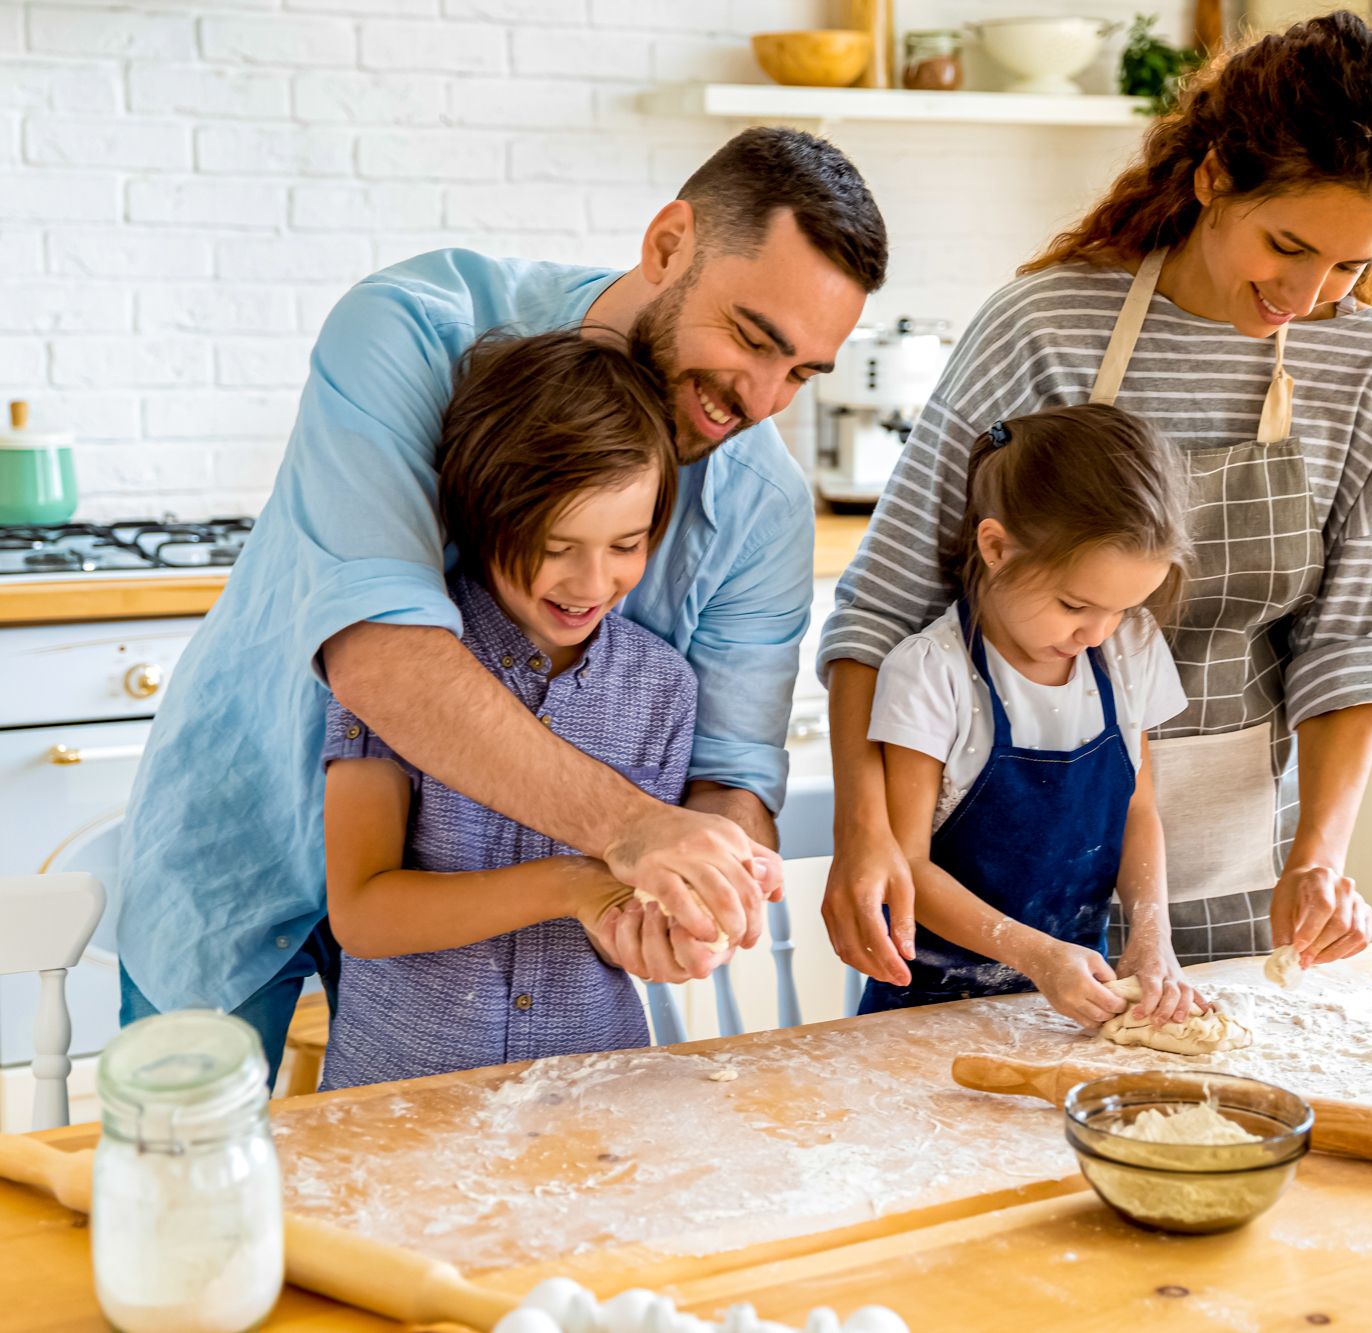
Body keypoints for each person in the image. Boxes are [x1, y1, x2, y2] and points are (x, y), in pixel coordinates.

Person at [117, 127, 887, 1081]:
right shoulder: (409, 329)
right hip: (244, 844)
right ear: (668, 243)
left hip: (505, 971)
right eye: (752, 338)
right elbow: (385, 661)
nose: (764, 399)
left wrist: (691, 902)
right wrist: (629, 834)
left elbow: (727, 781)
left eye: (804, 371)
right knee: (183, 1197)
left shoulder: (762, 504)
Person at [820, 12, 1372, 987]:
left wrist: (1316, 858)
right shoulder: (1045, 325)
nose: (1305, 291)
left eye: (1348, 265)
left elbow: (1352, 642)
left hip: (1243, 881)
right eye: (1284, 244)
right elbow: (883, 606)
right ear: (1211, 177)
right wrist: (862, 830)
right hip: (998, 895)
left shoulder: (1371, 366)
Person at [320, 331, 714, 1089]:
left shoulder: (663, 687)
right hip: (405, 1090)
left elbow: (623, 914)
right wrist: (572, 885)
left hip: (593, 1086)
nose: (592, 581)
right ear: (482, 515)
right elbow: (362, 912)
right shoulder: (405, 668)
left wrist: (661, 933)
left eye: (627, 544)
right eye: (555, 545)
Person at [858, 405, 1204, 1029]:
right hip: (928, 1009)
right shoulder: (931, 674)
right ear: (995, 547)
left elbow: (1137, 809)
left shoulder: (1130, 650)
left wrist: (1153, 936)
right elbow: (906, 866)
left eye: (1123, 609)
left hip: (1071, 1006)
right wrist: (1037, 956)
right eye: (1075, 604)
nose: (1096, 632)